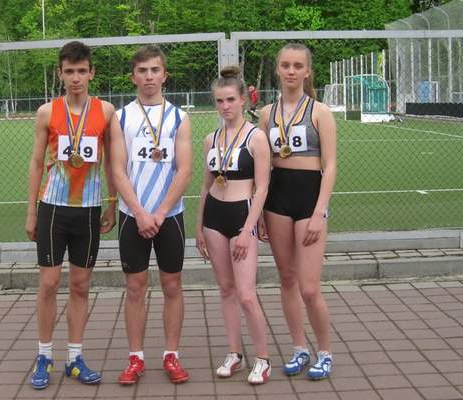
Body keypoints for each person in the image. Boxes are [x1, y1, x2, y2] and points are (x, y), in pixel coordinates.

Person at [25, 41, 117, 390]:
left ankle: (75, 358)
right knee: (48, 284)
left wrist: (112, 203)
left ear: (92, 73)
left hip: (89, 210)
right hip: (53, 209)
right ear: (60, 74)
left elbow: (112, 162)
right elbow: (36, 163)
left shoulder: (106, 111)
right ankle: (44, 356)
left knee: (80, 285)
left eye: (81, 71)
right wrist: (31, 210)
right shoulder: (46, 112)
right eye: (69, 72)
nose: (76, 78)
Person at [109, 45, 193, 385]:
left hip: (169, 215)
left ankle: (172, 355)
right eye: (142, 71)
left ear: (164, 75)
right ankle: (136, 358)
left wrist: (159, 212)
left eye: (155, 70)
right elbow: (117, 170)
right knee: (135, 287)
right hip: (133, 215)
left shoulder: (179, 117)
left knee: (172, 285)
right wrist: (141, 213)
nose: (148, 77)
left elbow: (184, 170)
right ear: (133, 77)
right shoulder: (120, 117)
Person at [258, 43, 337, 380]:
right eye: (285, 65)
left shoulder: (320, 112)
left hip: (309, 200)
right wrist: (259, 213)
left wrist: (320, 211)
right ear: (278, 69)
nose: (291, 71)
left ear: (307, 72)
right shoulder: (266, 113)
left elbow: (330, 166)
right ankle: (299, 348)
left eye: (297, 66)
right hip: (277, 200)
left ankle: (325, 352)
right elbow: (262, 167)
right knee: (287, 279)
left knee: (309, 287)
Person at [195, 67, 271, 384]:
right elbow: (206, 185)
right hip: (214, 217)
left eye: (230, 100)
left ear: (243, 100)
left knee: (246, 294)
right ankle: (234, 353)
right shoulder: (211, 139)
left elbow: (262, 188)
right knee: (226, 289)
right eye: (219, 101)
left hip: (242, 216)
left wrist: (247, 230)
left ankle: (263, 359)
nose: (224, 106)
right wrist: (199, 226)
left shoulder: (256, 138)